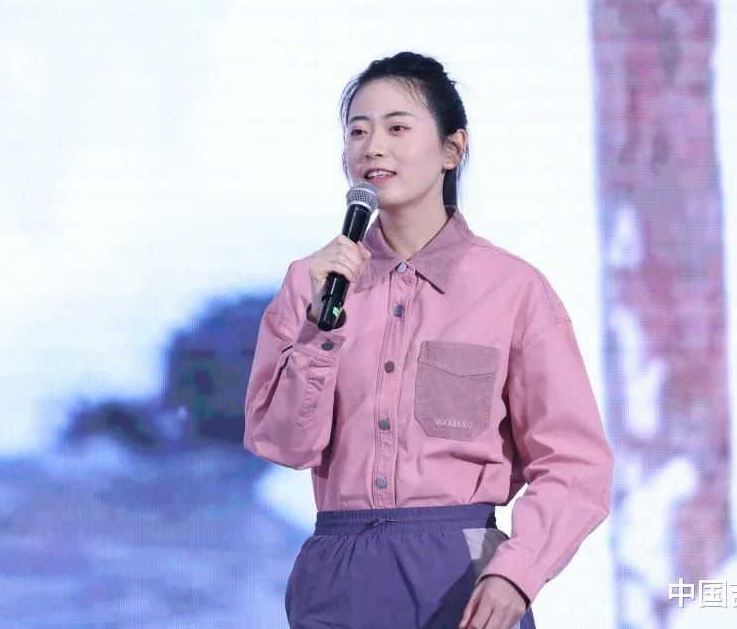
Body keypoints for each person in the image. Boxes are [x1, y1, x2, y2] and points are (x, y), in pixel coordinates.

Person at [243, 51, 614, 629]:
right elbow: (281, 444)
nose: (373, 147)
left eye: (397, 128)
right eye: (358, 131)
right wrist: (321, 326)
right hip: (339, 573)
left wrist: (519, 571)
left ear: (452, 149)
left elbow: (575, 460)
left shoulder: (512, 289)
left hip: (464, 569)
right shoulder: (311, 282)